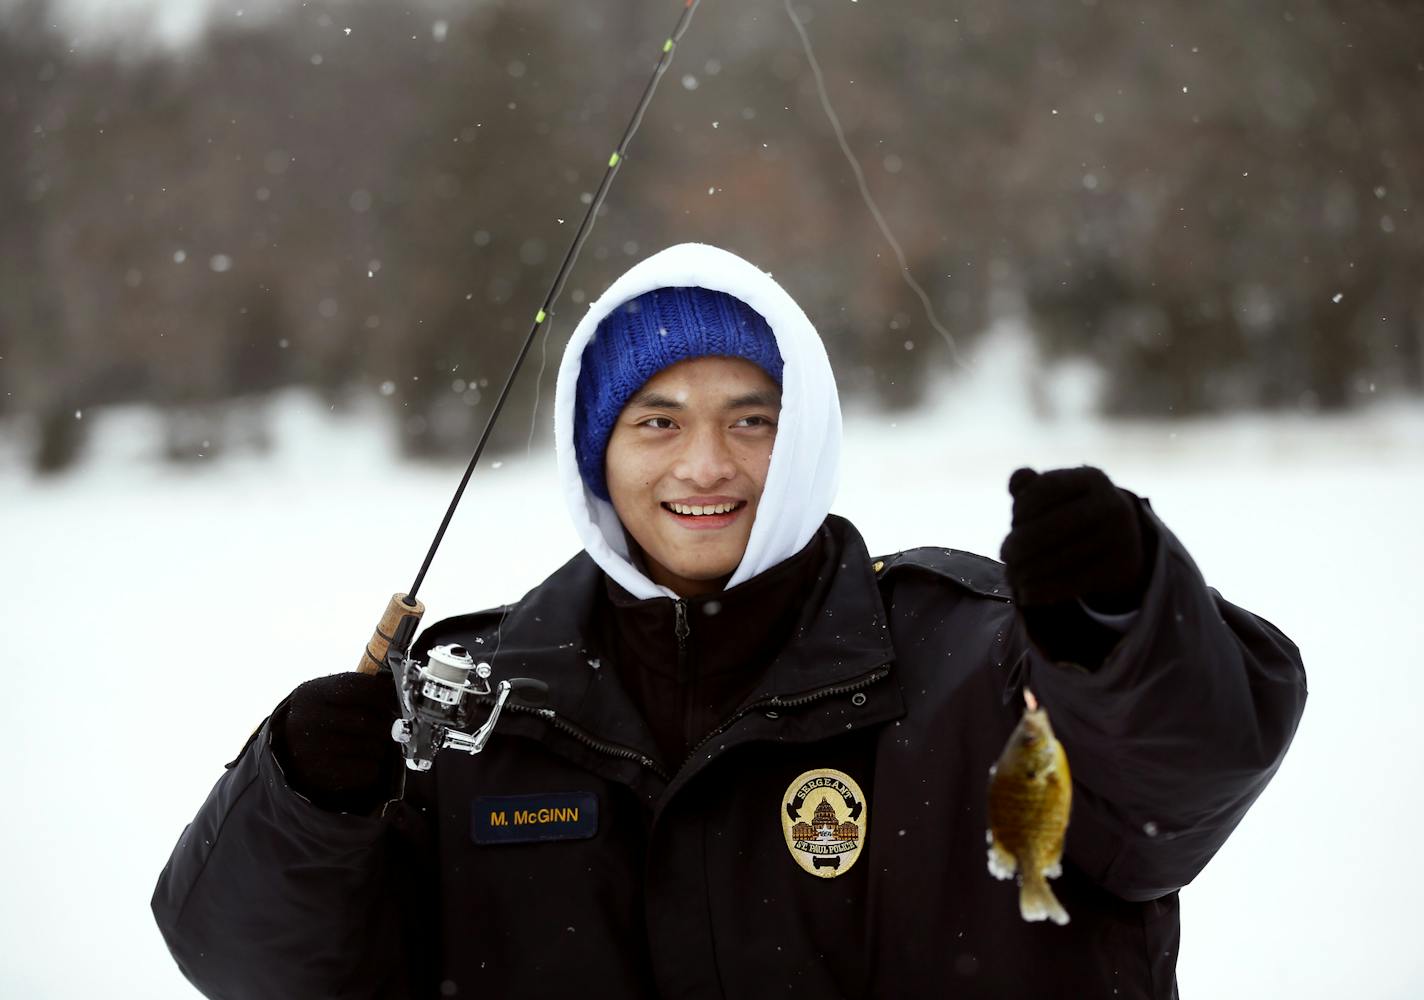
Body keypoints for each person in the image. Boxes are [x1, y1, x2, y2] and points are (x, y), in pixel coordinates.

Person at [152, 242, 1306, 999]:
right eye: (655, 421)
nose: (706, 464)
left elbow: (1179, 775)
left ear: (801, 437)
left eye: (751, 419)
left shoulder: (983, 654)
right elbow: (258, 966)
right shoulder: (475, 708)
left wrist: (1118, 613)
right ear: (591, 451)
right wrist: (303, 796)